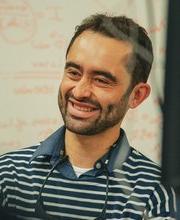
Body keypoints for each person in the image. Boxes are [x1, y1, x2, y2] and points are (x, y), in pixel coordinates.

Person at [0, 13, 176, 220]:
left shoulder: (157, 193)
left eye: (101, 80)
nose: (80, 91)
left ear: (136, 95)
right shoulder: (8, 175)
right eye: (74, 73)